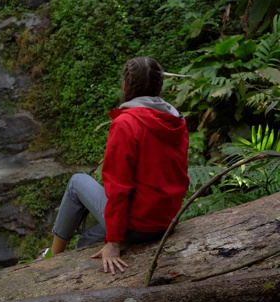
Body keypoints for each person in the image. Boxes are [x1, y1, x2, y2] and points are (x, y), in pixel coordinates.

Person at [43, 56, 189, 275]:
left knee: (77, 182)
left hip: (138, 226)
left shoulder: (126, 123)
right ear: (160, 86)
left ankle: (51, 259)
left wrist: (113, 242)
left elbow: (119, 189)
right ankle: (74, 255)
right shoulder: (175, 120)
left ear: (125, 86)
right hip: (167, 221)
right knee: (86, 241)